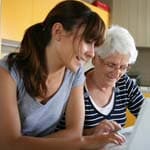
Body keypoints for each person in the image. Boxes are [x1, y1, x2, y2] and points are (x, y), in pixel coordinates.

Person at [0, 1, 125, 150]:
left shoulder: (75, 74)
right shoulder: (8, 71)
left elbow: (74, 133)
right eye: (87, 41)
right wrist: (85, 142)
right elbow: (8, 144)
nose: (92, 53)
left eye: (94, 45)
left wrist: (25, 144)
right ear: (58, 31)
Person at [83, 25, 145, 135]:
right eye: (111, 65)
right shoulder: (77, 87)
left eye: (123, 67)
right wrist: (92, 133)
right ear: (95, 58)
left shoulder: (124, 84)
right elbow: (62, 135)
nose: (117, 73)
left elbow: (146, 114)